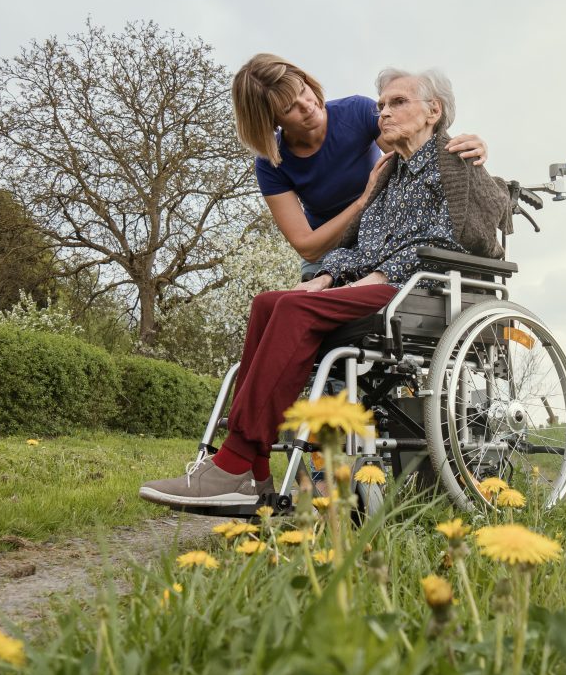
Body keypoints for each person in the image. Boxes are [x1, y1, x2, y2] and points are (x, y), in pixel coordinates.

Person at [139, 68, 510, 508]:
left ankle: (234, 462)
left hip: (417, 292)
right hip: (375, 282)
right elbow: (360, 243)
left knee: (297, 313)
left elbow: (464, 237)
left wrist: (383, 273)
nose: (383, 114)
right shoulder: (390, 174)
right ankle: (248, 474)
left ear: (434, 111)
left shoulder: (453, 163)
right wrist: (327, 275)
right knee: (269, 304)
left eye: (397, 103)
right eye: (382, 106)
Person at [231, 54, 489, 279]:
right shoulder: (270, 165)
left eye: (302, 91)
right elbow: (308, 247)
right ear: (271, 121)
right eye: (290, 108)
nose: (307, 106)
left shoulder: (357, 112)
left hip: (381, 239)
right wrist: (363, 200)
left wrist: (466, 147)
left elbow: (419, 149)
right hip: (328, 254)